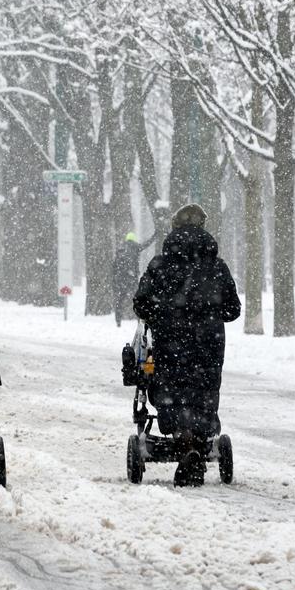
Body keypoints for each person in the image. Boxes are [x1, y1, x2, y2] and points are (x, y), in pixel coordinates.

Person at [132, 203, 241, 486]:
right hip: (209, 345)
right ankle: (200, 438)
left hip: (171, 343)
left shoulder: (160, 265)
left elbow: (141, 304)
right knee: (204, 392)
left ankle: (184, 442)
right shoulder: (217, 267)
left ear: (174, 228)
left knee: (172, 392)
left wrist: (164, 313)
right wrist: (208, 313)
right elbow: (233, 309)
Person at [114, 231, 155, 324]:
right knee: (137, 297)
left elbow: (115, 265)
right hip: (132, 277)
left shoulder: (121, 248)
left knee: (120, 298)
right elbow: (146, 244)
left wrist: (116, 278)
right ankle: (139, 318)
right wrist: (154, 237)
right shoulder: (135, 246)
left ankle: (118, 319)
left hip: (122, 278)